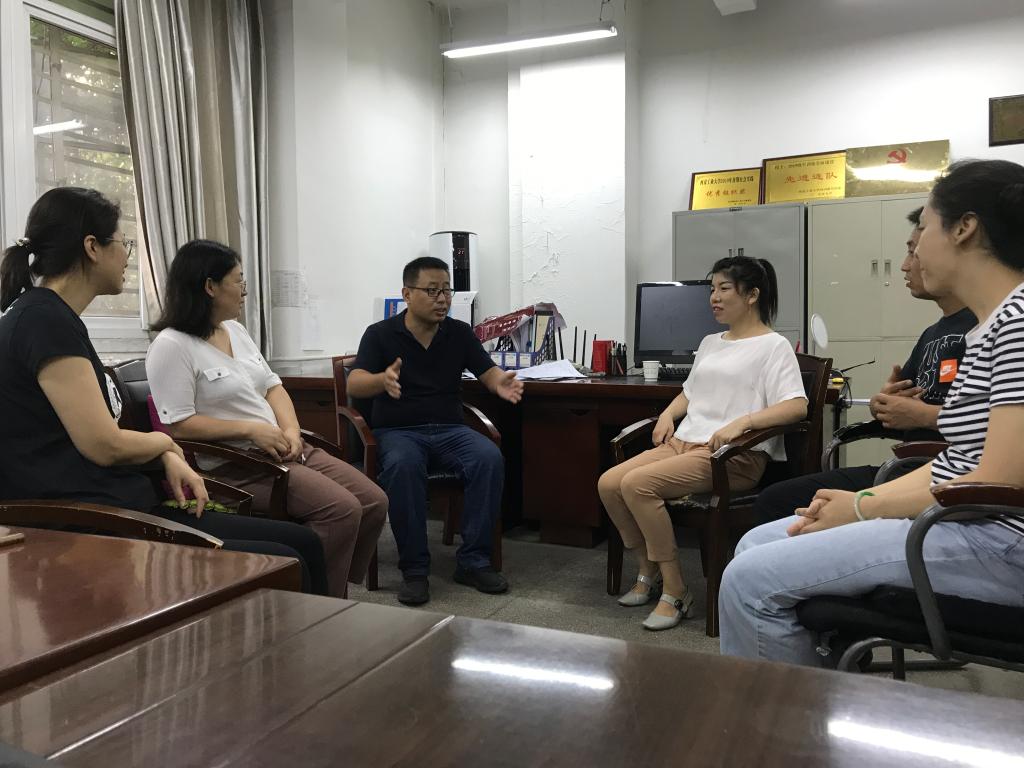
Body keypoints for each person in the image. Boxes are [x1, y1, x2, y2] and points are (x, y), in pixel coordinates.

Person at [719, 159, 1024, 666]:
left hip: (1000, 541)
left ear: (964, 228)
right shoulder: (991, 327)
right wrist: (860, 498)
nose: (914, 252)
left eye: (925, 228)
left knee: (750, 580)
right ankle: (813, 695)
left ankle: (784, 715)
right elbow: (959, 462)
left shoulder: (1017, 323)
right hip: (966, 523)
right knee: (755, 543)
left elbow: (1000, 480)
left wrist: (862, 510)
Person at [0, 188, 328, 594]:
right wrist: (166, 446)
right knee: (288, 559)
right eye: (124, 244)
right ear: (92, 247)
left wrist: (162, 454)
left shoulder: (50, 317)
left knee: (304, 542)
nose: (127, 257)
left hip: (119, 501)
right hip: (92, 517)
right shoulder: (43, 321)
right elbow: (104, 445)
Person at [146, 239, 387, 599]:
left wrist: (290, 429)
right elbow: (179, 425)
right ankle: (318, 600)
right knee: (341, 510)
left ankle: (325, 582)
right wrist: (250, 430)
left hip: (282, 447)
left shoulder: (235, 330)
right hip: (236, 464)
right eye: (238, 281)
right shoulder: (171, 345)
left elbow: (273, 387)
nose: (245, 291)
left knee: (374, 500)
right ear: (210, 287)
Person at [598, 256, 807, 631]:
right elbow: (689, 393)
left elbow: (796, 407)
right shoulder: (711, 342)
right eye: (713, 289)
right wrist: (668, 414)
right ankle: (648, 572)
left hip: (730, 457)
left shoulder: (773, 346)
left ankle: (676, 591)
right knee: (610, 483)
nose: (714, 297)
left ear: (752, 295)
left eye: (724, 288)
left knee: (637, 485)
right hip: (684, 443)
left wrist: (744, 422)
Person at [752, 208, 977, 523]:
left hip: (947, 477)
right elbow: (896, 408)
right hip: (911, 470)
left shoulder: (993, 326)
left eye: (915, 252)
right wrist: (883, 405)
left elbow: (994, 428)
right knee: (779, 502)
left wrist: (922, 415)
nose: (905, 265)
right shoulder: (933, 333)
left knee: (780, 508)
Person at [348, 256, 523, 606]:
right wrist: (382, 380)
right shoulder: (380, 334)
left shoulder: (458, 333)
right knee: (403, 466)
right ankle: (414, 570)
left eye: (447, 290)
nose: (442, 299)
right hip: (399, 431)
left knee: (488, 457)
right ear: (407, 294)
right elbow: (355, 381)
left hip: (449, 430)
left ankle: (473, 561)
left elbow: (486, 370)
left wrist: (498, 382)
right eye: (432, 291)